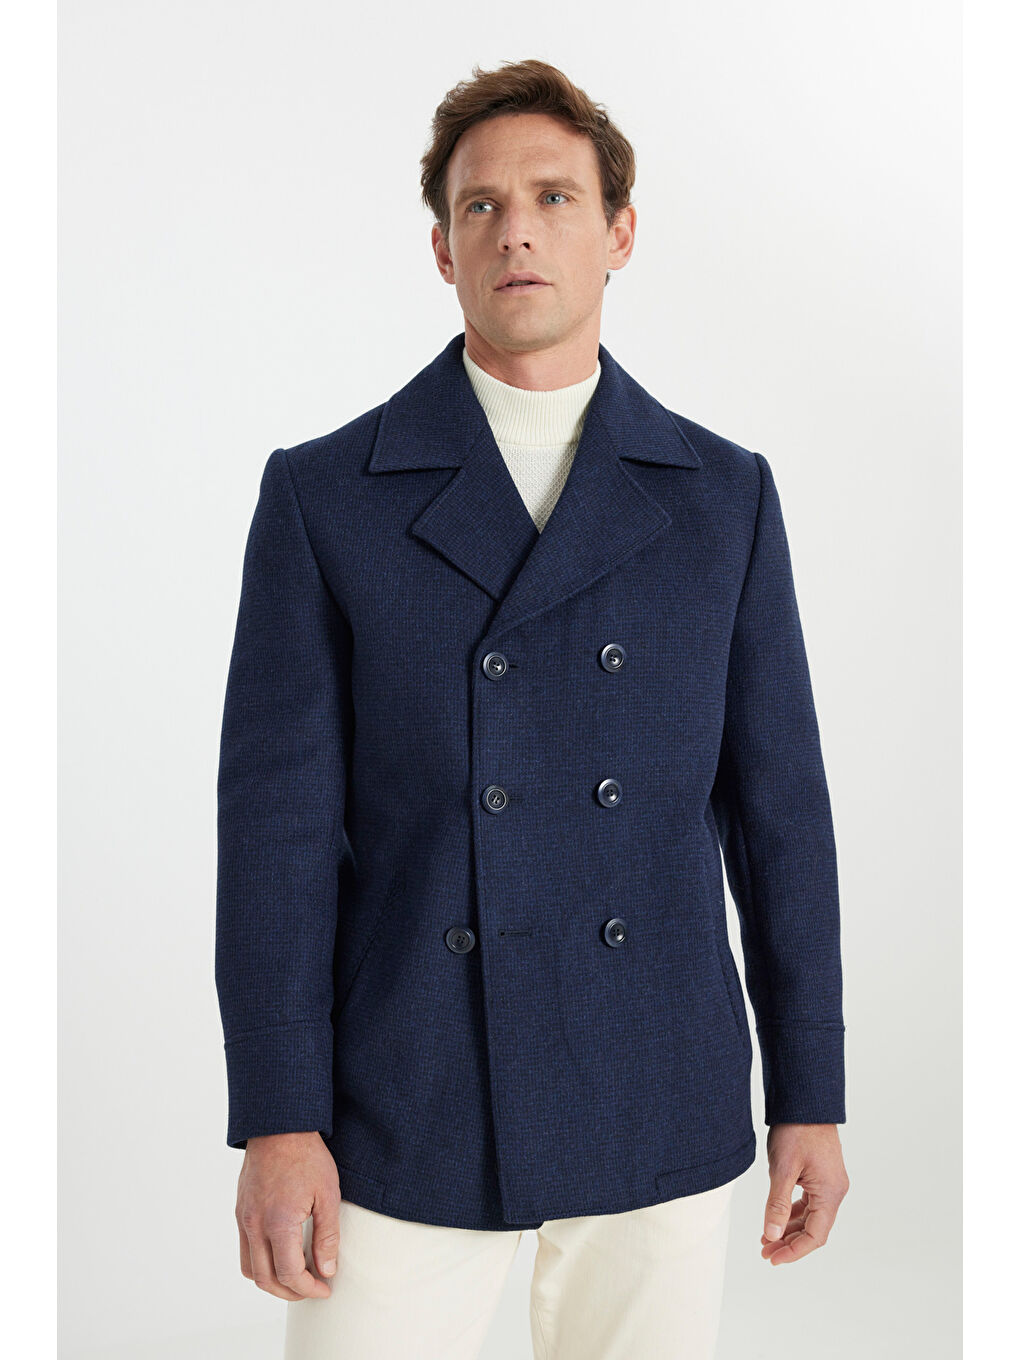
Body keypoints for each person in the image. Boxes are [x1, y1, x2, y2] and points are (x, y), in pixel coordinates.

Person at [215, 57, 850, 1360]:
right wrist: (279, 1117)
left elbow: (780, 818)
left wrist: (812, 1090)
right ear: (442, 250)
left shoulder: (722, 497)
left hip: (657, 1077)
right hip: (406, 1088)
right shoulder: (326, 496)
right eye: (481, 205)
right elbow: (276, 842)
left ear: (619, 233)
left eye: (555, 197)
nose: (517, 230)